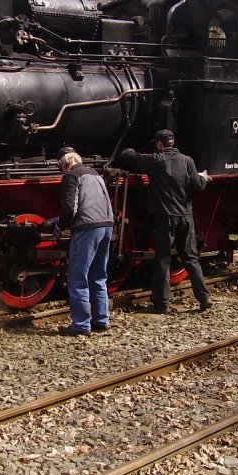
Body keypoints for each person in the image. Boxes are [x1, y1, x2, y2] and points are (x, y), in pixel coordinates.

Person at [117, 129, 212, 314]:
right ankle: (204, 298)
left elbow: (129, 155)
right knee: (191, 259)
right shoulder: (187, 161)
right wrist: (204, 178)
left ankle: (162, 304)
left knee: (162, 259)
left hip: (165, 217)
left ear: (160, 144)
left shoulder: (155, 160)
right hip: (185, 217)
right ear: (173, 142)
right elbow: (198, 185)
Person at [50, 148, 114, 336]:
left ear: (65, 164)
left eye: (61, 168)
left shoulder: (71, 176)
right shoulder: (96, 174)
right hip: (107, 226)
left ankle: (81, 325)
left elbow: (70, 207)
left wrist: (60, 227)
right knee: (98, 275)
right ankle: (102, 320)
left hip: (87, 228)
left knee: (77, 277)